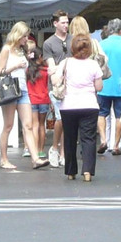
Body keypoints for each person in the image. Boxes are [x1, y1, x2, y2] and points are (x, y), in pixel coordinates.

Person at [0, 22, 48, 170]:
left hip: (23, 89)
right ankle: (4, 159)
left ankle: (35, 158)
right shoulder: (7, 49)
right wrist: (15, 66)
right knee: (8, 125)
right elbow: (0, 71)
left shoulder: (21, 50)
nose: (26, 39)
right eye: (24, 36)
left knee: (28, 125)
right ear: (17, 35)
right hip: (11, 89)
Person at [55, 34, 103, 181]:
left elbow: (56, 80)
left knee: (70, 138)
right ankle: (87, 171)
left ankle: (70, 171)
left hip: (68, 105)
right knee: (88, 138)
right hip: (89, 105)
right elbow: (99, 87)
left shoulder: (66, 62)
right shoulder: (93, 64)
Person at [42, 9, 71, 166]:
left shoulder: (73, 40)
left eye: (67, 22)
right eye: (63, 22)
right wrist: (63, 66)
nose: (66, 25)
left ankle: (63, 153)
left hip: (72, 85)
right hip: (56, 87)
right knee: (60, 117)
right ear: (55, 24)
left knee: (68, 120)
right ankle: (54, 148)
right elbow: (51, 68)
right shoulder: (48, 43)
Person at [97, 18, 121, 155]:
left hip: (103, 84)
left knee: (102, 113)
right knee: (119, 116)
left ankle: (104, 139)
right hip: (120, 85)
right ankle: (116, 144)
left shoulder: (100, 45)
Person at [24, 36, 50, 161]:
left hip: (32, 99)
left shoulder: (28, 71)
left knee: (34, 125)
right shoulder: (46, 71)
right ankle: (41, 151)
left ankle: (33, 150)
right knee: (41, 125)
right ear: (40, 58)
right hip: (44, 99)